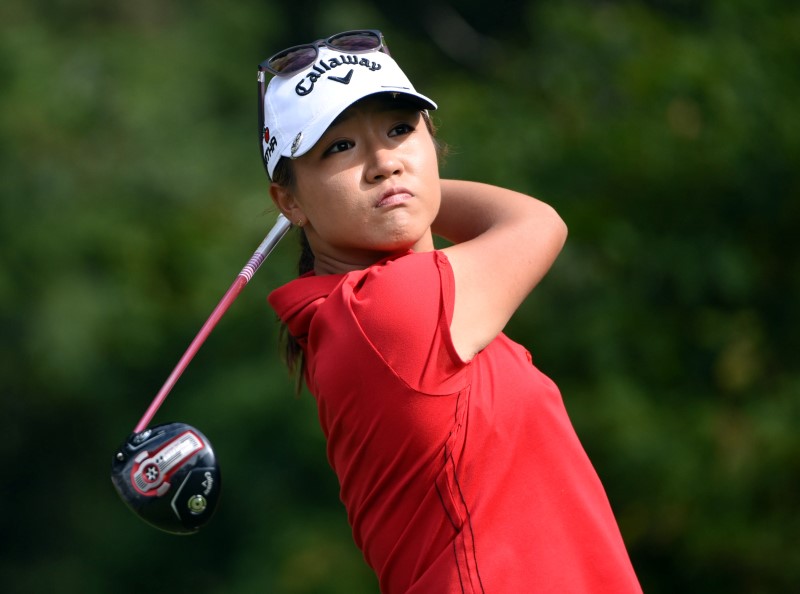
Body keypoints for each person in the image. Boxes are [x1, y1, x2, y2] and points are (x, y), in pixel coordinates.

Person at [259, 30, 642, 593]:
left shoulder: (351, 317)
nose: (384, 162)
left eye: (400, 131)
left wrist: (410, 190)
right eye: (339, 147)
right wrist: (418, 189)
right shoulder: (385, 311)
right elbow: (539, 224)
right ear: (288, 200)